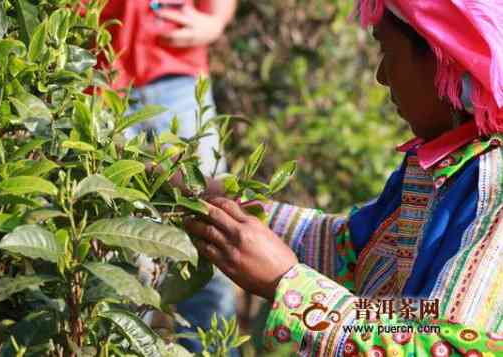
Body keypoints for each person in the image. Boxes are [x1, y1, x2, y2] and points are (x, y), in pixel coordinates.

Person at [181, 0, 503, 355]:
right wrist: (215, 198)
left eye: (387, 50)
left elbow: (448, 344)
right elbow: (351, 249)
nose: (382, 75)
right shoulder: (446, 166)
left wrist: (289, 285)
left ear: (444, 58)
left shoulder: (493, 187)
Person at [96, 1, 239, 355]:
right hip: (96, 85)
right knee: (121, 257)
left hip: (175, 74)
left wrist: (216, 19)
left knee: (211, 233)